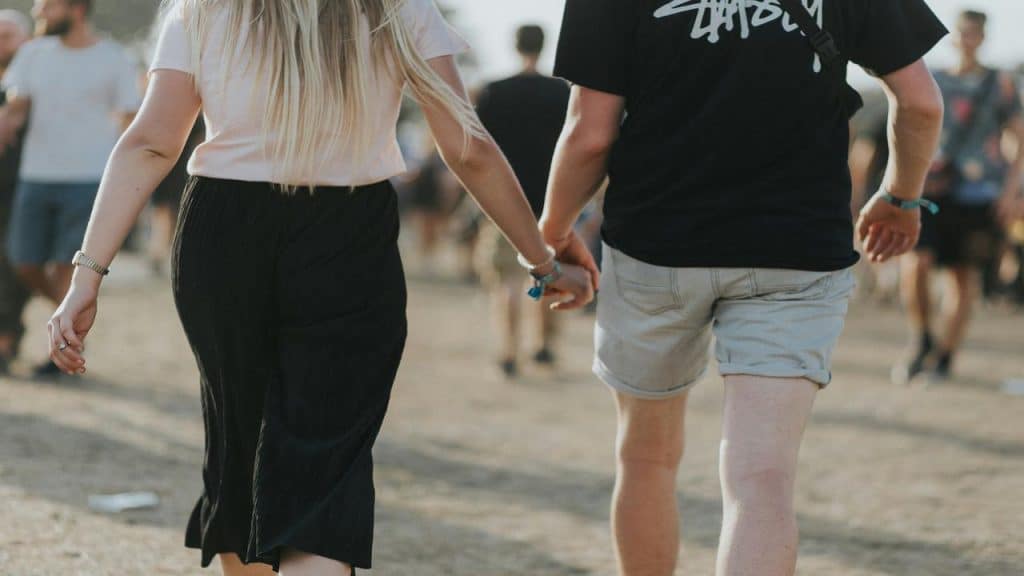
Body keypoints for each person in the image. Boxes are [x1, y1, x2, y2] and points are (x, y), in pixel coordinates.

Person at [45, 0, 594, 574]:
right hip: (347, 230)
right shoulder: (397, 8)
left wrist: (87, 277)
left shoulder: (203, 8)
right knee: (325, 469)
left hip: (223, 231)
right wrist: (542, 261)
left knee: (241, 444)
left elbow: (151, 142)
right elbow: (467, 147)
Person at [543, 1, 946, 575]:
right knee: (762, 480)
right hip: (797, 252)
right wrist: (901, 197)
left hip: (657, 243)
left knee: (646, 458)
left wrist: (553, 231)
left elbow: (590, 134)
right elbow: (922, 101)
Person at [0, 0, 140, 378]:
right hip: (35, 176)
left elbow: (130, 119)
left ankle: (61, 353)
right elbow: (16, 107)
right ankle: (72, 317)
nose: (39, 13)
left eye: (48, 6)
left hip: (89, 180)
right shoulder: (32, 55)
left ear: (76, 9)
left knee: (66, 266)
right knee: (22, 259)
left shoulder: (114, 57)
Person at [898, 9, 1024, 384]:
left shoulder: (1001, 83)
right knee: (915, 264)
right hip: (932, 187)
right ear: (953, 36)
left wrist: (1011, 192)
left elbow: (1020, 138)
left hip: (979, 191)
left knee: (961, 276)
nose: (967, 39)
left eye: (974, 33)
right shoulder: (932, 79)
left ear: (983, 37)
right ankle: (922, 338)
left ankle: (945, 355)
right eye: (962, 32)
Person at [475, 24, 570, 377]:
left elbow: (478, 150)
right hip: (551, 200)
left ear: (514, 46)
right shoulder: (561, 92)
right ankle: (542, 346)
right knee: (545, 274)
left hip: (502, 200)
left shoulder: (494, 92)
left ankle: (509, 350)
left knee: (507, 280)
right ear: (545, 47)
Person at [0, 9, 32, 374]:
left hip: (22, 183)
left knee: (11, 261)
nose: (1, 41)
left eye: (8, 34)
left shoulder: (33, 81)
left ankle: (7, 337)